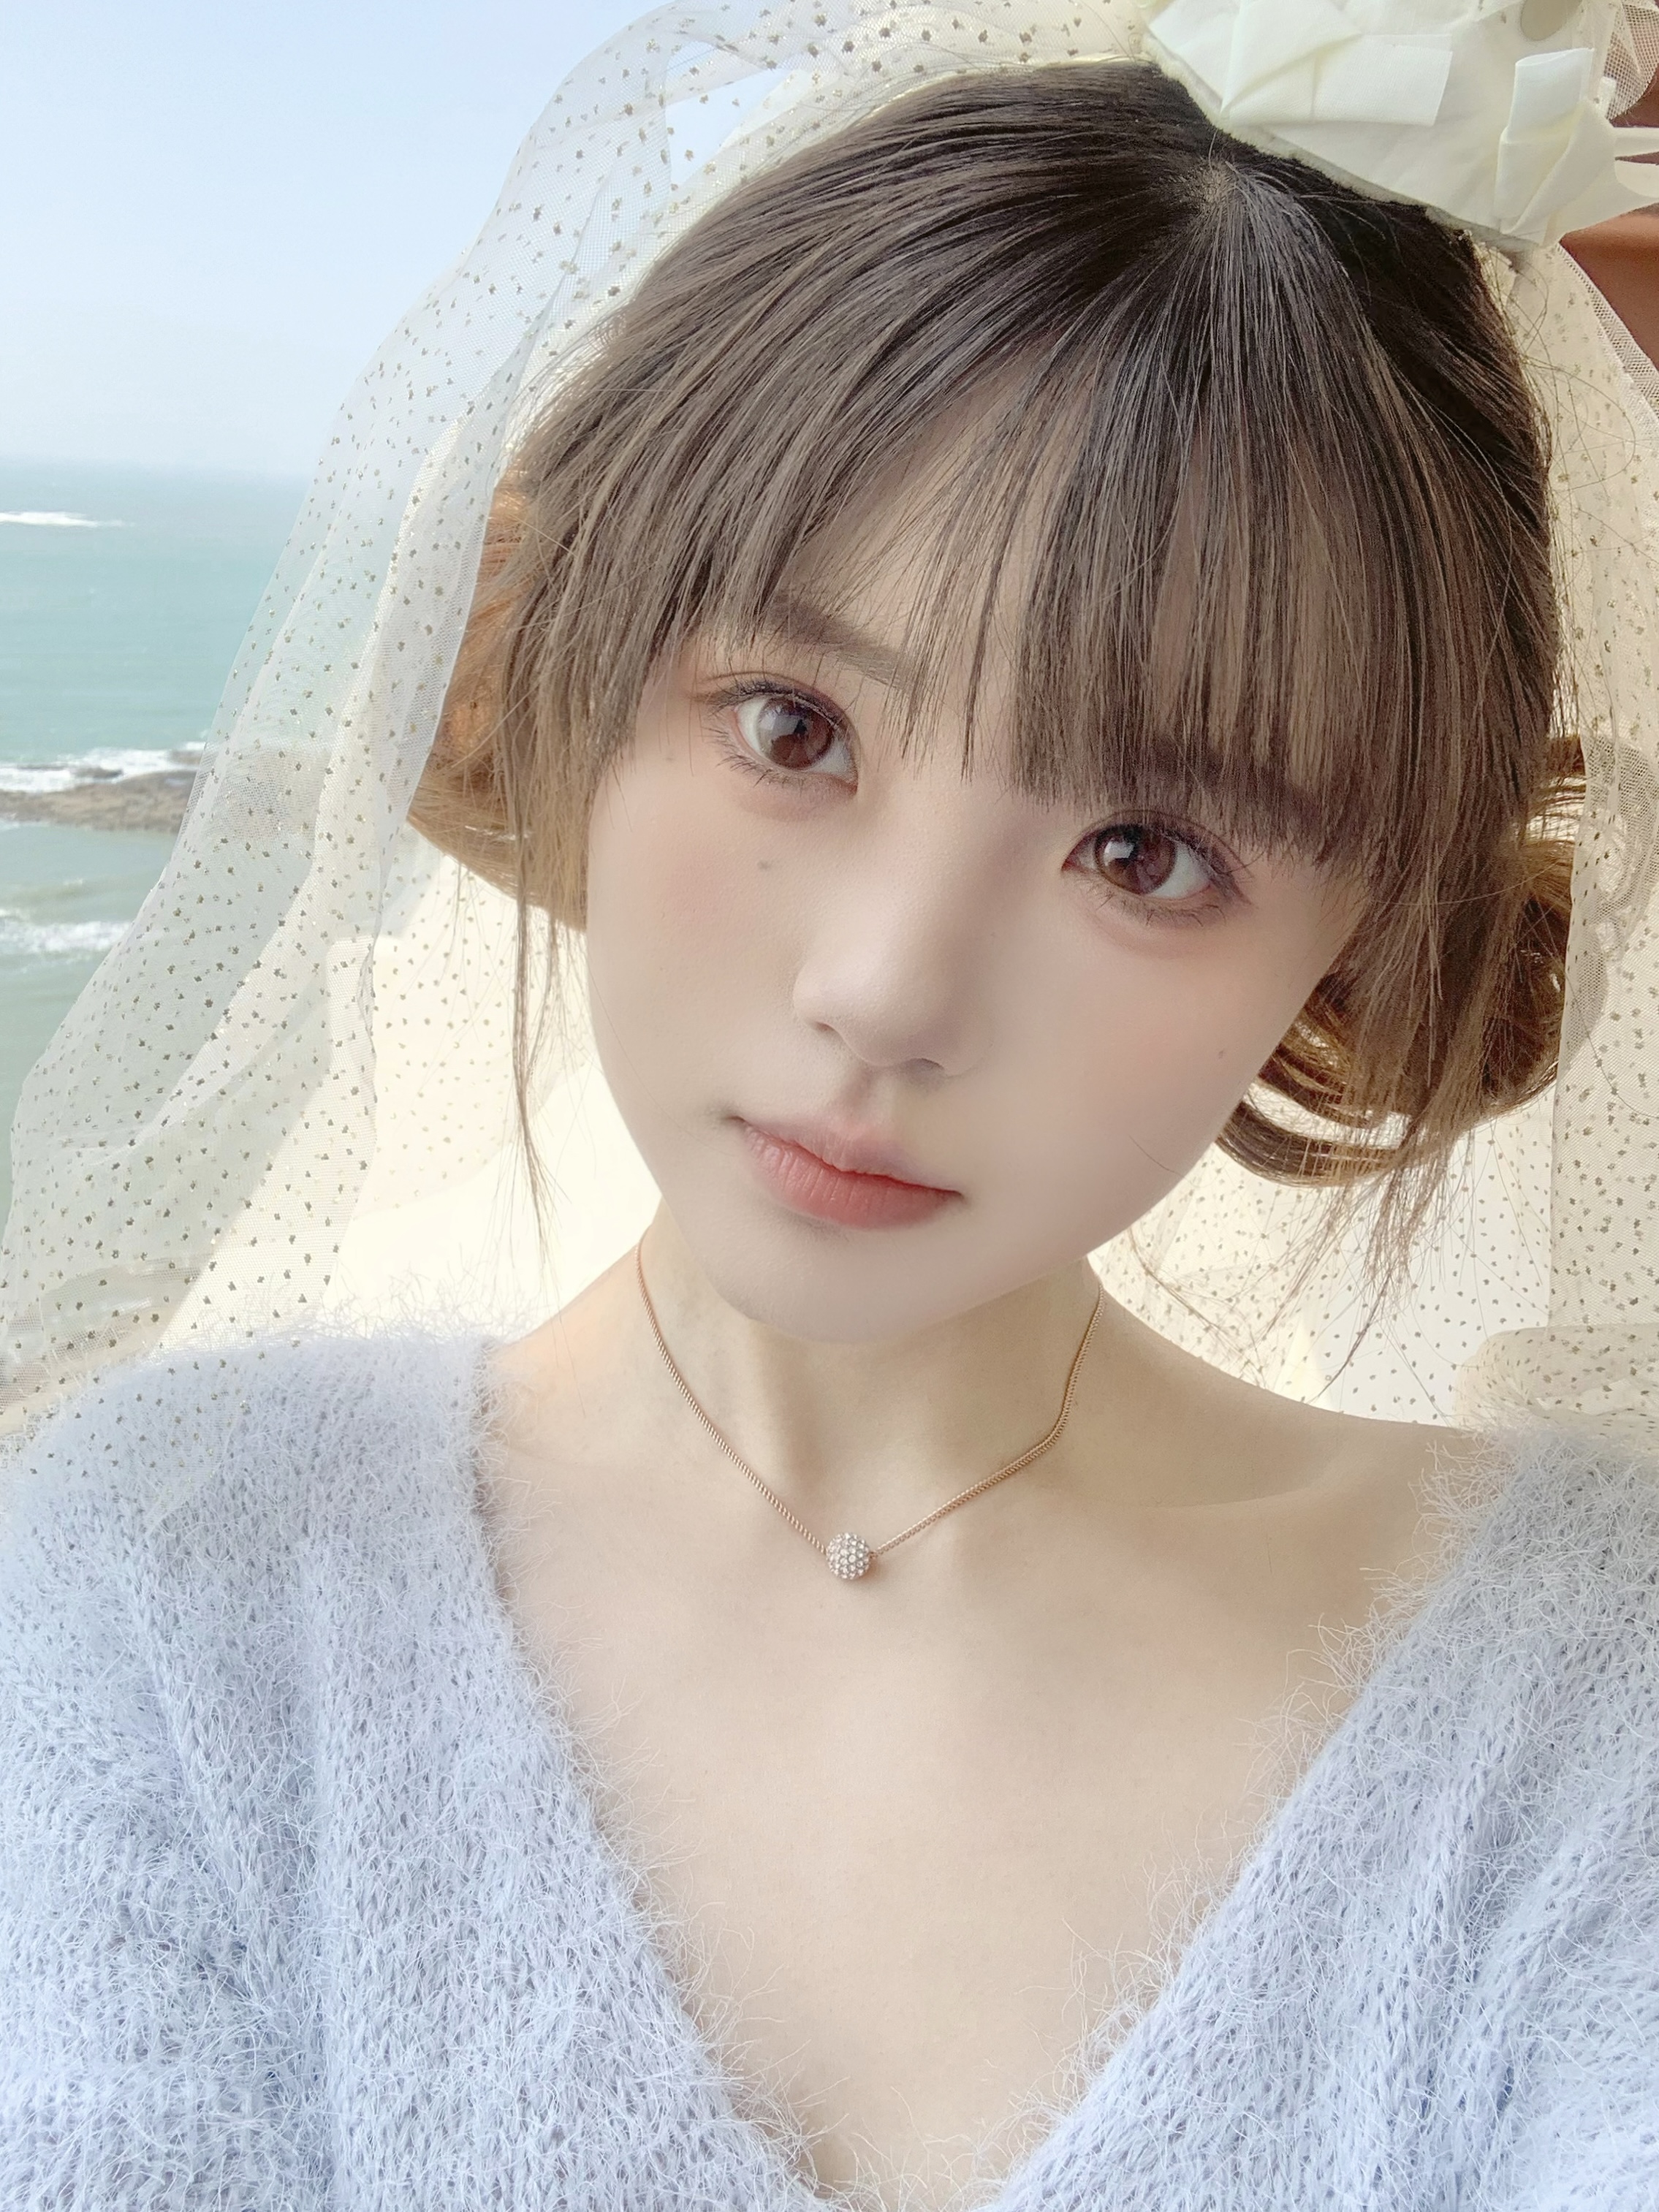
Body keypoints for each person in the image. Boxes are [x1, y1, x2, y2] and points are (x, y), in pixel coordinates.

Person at [3, 2, 1658, 2205]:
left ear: (1355, 935)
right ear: (580, 664)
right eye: (794, 728)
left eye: (1147, 852)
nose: (883, 990)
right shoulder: (173, 1581)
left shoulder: (1589, 1691)